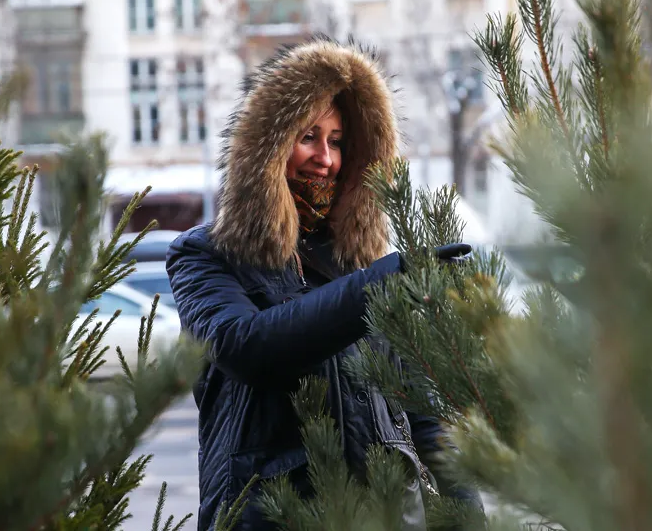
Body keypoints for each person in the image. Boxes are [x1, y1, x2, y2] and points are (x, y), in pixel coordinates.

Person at [166, 36, 483, 531]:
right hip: (268, 518)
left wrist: (466, 508)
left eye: (337, 142)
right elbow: (245, 346)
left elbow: (418, 406)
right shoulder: (207, 253)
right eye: (308, 136)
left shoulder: (359, 261)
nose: (325, 159)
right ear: (267, 149)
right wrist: (381, 283)